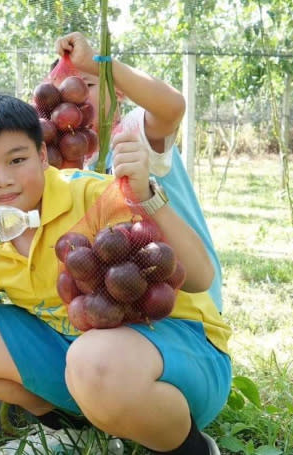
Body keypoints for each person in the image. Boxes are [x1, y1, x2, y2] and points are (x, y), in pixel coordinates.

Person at [0, 94, 232, 455]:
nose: (1, 180)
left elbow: (200, 277)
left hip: (181, 358)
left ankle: (191, 448)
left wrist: (145, 197)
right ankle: (81, 433)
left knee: (91, 357)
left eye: (17, 160)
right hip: (88, 364)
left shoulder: (93, 196)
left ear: (42, 157)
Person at [56, 32, 224, 311]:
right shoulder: (75, 165)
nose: (73, 96)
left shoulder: (132, 132)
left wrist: (100, 65)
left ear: (118, 92)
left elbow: (171, 107)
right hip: (132, 303)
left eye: (87, 83)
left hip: (190, 303)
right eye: (63, 92)